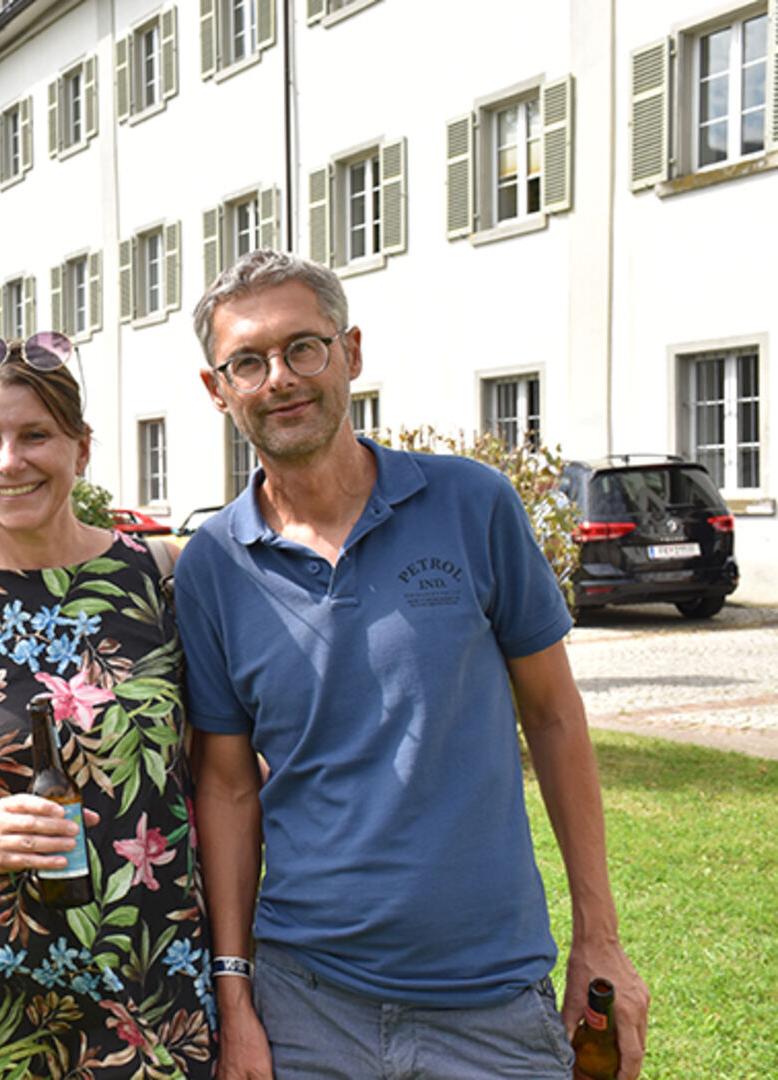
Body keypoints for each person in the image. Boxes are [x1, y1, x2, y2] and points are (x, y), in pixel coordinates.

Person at [176, 249, 649, 1080]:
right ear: (218, 390)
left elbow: (551, 715)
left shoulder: (472, 504)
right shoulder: (213, 562)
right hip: (305, 1004)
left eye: (302, 348)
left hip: (491, 1003)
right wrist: (236, 995)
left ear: (349, 352)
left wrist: (598, 938)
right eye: (246, 362)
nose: (278, 378)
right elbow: (225, 783)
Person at [0, 333, 215, 1078]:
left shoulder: (166, 580)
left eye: (35, 436)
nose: (8, 461)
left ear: (80, 448)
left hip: (145, 980)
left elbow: (223, 781)